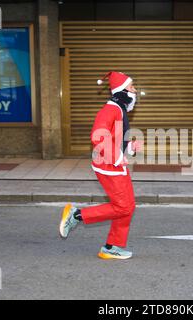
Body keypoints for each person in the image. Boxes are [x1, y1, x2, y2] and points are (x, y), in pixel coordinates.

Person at [59, 71, 143, 260]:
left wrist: (129, 147)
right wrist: (116, 157)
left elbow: (115, 138)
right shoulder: (111, 109)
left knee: (128, 206)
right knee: (123, 207)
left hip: (113, 164)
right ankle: (77, 215)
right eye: (131, 87)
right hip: (108, 166)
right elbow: (98, 136)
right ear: (122, 90)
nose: (135, 90)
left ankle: (113, 246)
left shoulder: (119, 109)